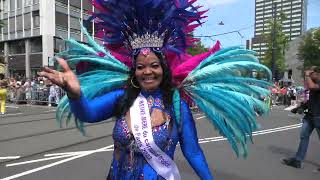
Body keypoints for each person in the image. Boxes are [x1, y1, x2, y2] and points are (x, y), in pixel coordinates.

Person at [38, 0, 271, 179]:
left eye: (154, 65)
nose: (147, 72)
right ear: (134, 71)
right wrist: (75, 93)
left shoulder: (177, 105)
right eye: (140, 67)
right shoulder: (122, 97)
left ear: (164, 68)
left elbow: (193, 152)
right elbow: (87, 113)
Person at [282, 66, 320, 169]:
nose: (308, 78)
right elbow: (312, 99)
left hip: (318, 116)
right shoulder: (314, 83)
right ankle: (298, 160)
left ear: (316, 74)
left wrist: (307, 74)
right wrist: (300, 107)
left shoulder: (316, 83)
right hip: (310, 116)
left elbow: (312, 87)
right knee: (304, 136)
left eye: (311, 75)